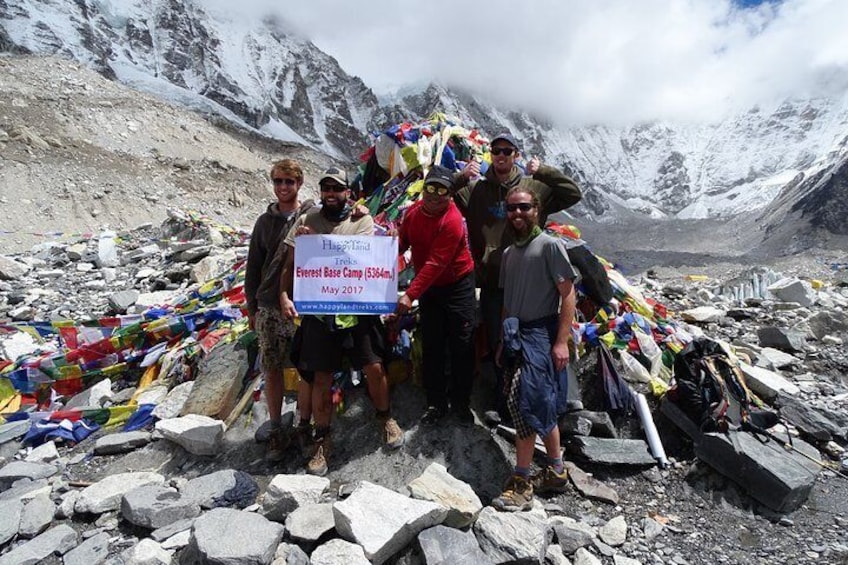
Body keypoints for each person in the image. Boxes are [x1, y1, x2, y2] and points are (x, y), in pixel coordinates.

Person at [279, 166, 404, 476]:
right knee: (321, 377)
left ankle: (385, 417)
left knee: (373, 366)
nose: (331, 194)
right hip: (320, 312)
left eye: (337, 189)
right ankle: (322, 441)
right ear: (321, 192)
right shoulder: (307, 222)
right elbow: (289, 265)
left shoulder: (362, 220)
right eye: (326, 189)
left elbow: (373, 260)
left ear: (349, 192)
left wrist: (389, 241)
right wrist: (284, 296)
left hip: (358, 309)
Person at [453, 133, 581, 419]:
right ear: (490, 154)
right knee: (502, 342)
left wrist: (544, 171)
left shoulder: (532, 187)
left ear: (516, 155)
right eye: (496, 151)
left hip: (534, 280)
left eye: (507, 151)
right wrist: (461, 178)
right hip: (493, 282)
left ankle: (556, 400)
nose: (501, 155)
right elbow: (438, 195)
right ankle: (505, 402)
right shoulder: (474, 190)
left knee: (541, 338)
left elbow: (573, 193)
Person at [492, 185, 576, 512]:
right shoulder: (510, 254)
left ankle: (521, 480)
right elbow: (507, 301)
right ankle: (556, 469)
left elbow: (567, 294)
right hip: (516, 334)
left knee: (522, 401)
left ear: (536, 210)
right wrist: (503, 339)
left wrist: (561, 341)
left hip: (541, 333)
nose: (517, 214)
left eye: (523, 207)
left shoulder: (550, 246)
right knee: (539, 400)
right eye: (511, 208)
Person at [244, 158, 315, 462]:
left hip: (305, 304)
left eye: (289, 181)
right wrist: (252, 308)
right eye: (278, 181)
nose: (283, 187)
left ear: (299, 184)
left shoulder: (312, 216)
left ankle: (303, 425)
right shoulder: (264, 222)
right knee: (272, 368)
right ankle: (276, 428)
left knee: (306, 368)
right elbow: (253, 267)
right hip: (270, 305)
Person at [396, 166, 476, 425]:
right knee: (432, 345)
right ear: (424, 188)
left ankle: (462, 404)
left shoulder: (452, 221)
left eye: (442, 189)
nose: (434, 194)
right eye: (430, 187)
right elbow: (401, 243)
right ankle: (436, 403)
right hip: (430, 288)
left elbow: (435, 263)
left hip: (457, 285)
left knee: (461, 345)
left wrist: (409, 295)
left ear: (450, 194)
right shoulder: (412, 213)